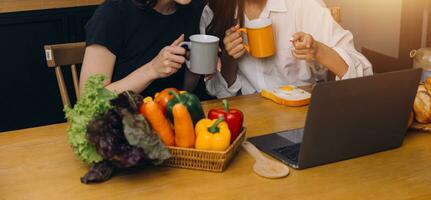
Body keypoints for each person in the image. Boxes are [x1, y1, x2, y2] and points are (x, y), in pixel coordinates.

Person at [201, 0, 373, 98]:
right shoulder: (214, 12)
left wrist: (318, 51)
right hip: (248, 118)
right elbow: (217, 92)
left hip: (302, 115)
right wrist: (229, 58)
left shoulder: (302, 5)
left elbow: (362, 74)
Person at [79, 0, 206, 98]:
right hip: (119, 125)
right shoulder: (113, 13)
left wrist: (198, 64)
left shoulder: (189, 13)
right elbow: (88, 101)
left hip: (166, 123)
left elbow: (185, 90)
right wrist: (152, 70)